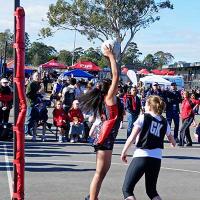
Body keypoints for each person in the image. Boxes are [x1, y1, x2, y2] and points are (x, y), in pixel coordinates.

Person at [79, 46, 122, 200]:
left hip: (105, 138)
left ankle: (92, 197)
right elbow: (116, 76)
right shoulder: (109, 99)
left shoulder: (105, 99)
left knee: (101, 172)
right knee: (100, 173)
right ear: (108, 89)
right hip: (105, 140)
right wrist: (111, 56)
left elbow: (114, 76)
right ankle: (92, 198)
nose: (115, 86)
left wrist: (111, 58)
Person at [121, 95, 176, 200]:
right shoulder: (164, 121)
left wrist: (124, 151)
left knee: (127, 189)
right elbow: (172, 140)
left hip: (142, 155)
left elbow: (132, 137)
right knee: (151, 191)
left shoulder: (143, 117)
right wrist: (172, 143)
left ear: (150, 106)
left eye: (145, 104)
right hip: (156, 159)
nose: (144, 106)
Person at [25, 72, 42, 136]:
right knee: (29, 117)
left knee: (34, 118)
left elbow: (40, 93)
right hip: (31, 103)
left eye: (39, 76)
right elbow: (27, 94)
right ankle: (26, 131)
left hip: (36, 103)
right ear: (33, 77)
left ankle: (31, 131)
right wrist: (37, 94)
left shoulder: (38, 84)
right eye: (36, 76)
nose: (38, 77)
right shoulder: (31, 84)